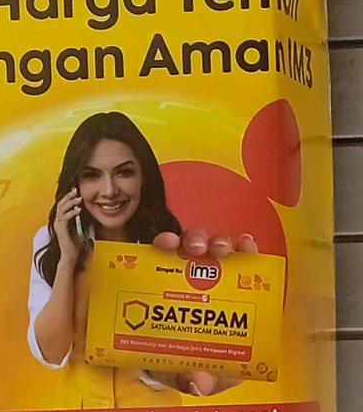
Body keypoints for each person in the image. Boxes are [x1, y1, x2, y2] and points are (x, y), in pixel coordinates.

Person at [27, 110, 254, 391]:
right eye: (91, 175)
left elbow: (182, 360)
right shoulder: (52, 242)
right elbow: (52, 353)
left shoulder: (168, 245)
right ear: (75, 186)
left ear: (144, 177)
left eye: (124, 172)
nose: (109, 190)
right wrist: (67, 259)